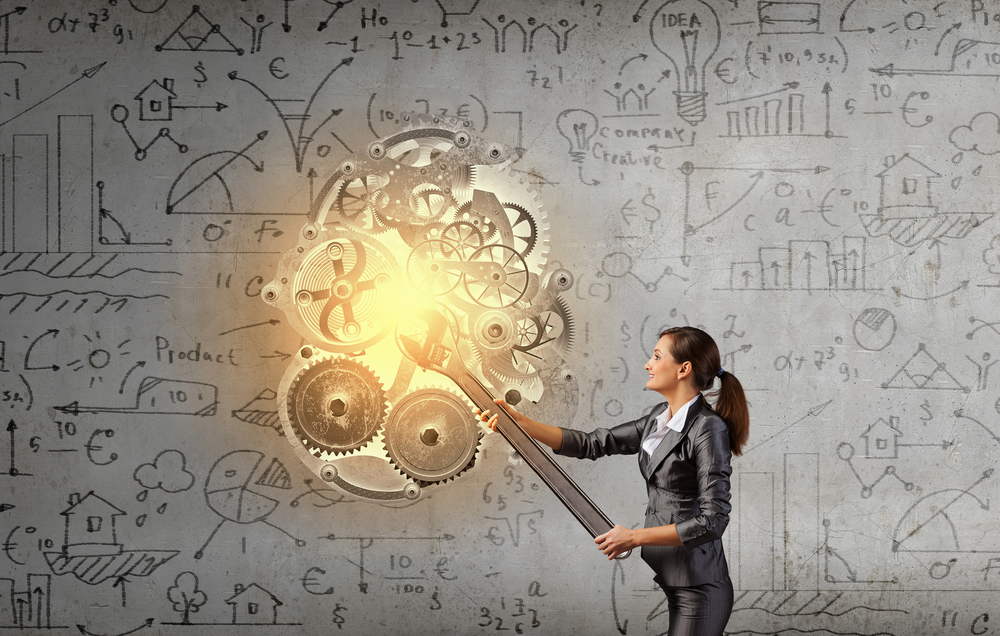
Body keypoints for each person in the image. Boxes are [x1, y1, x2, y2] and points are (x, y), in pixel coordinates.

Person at [475, 326, 749, 636]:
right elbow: (593, 443)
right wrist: (521, 424)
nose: (648, 363)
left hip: (700, 588)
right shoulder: (660, 417)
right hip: (676, 577)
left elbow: (714, 521)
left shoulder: (707, 428)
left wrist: (634, 538)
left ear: (683, 369)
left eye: (657, 356)